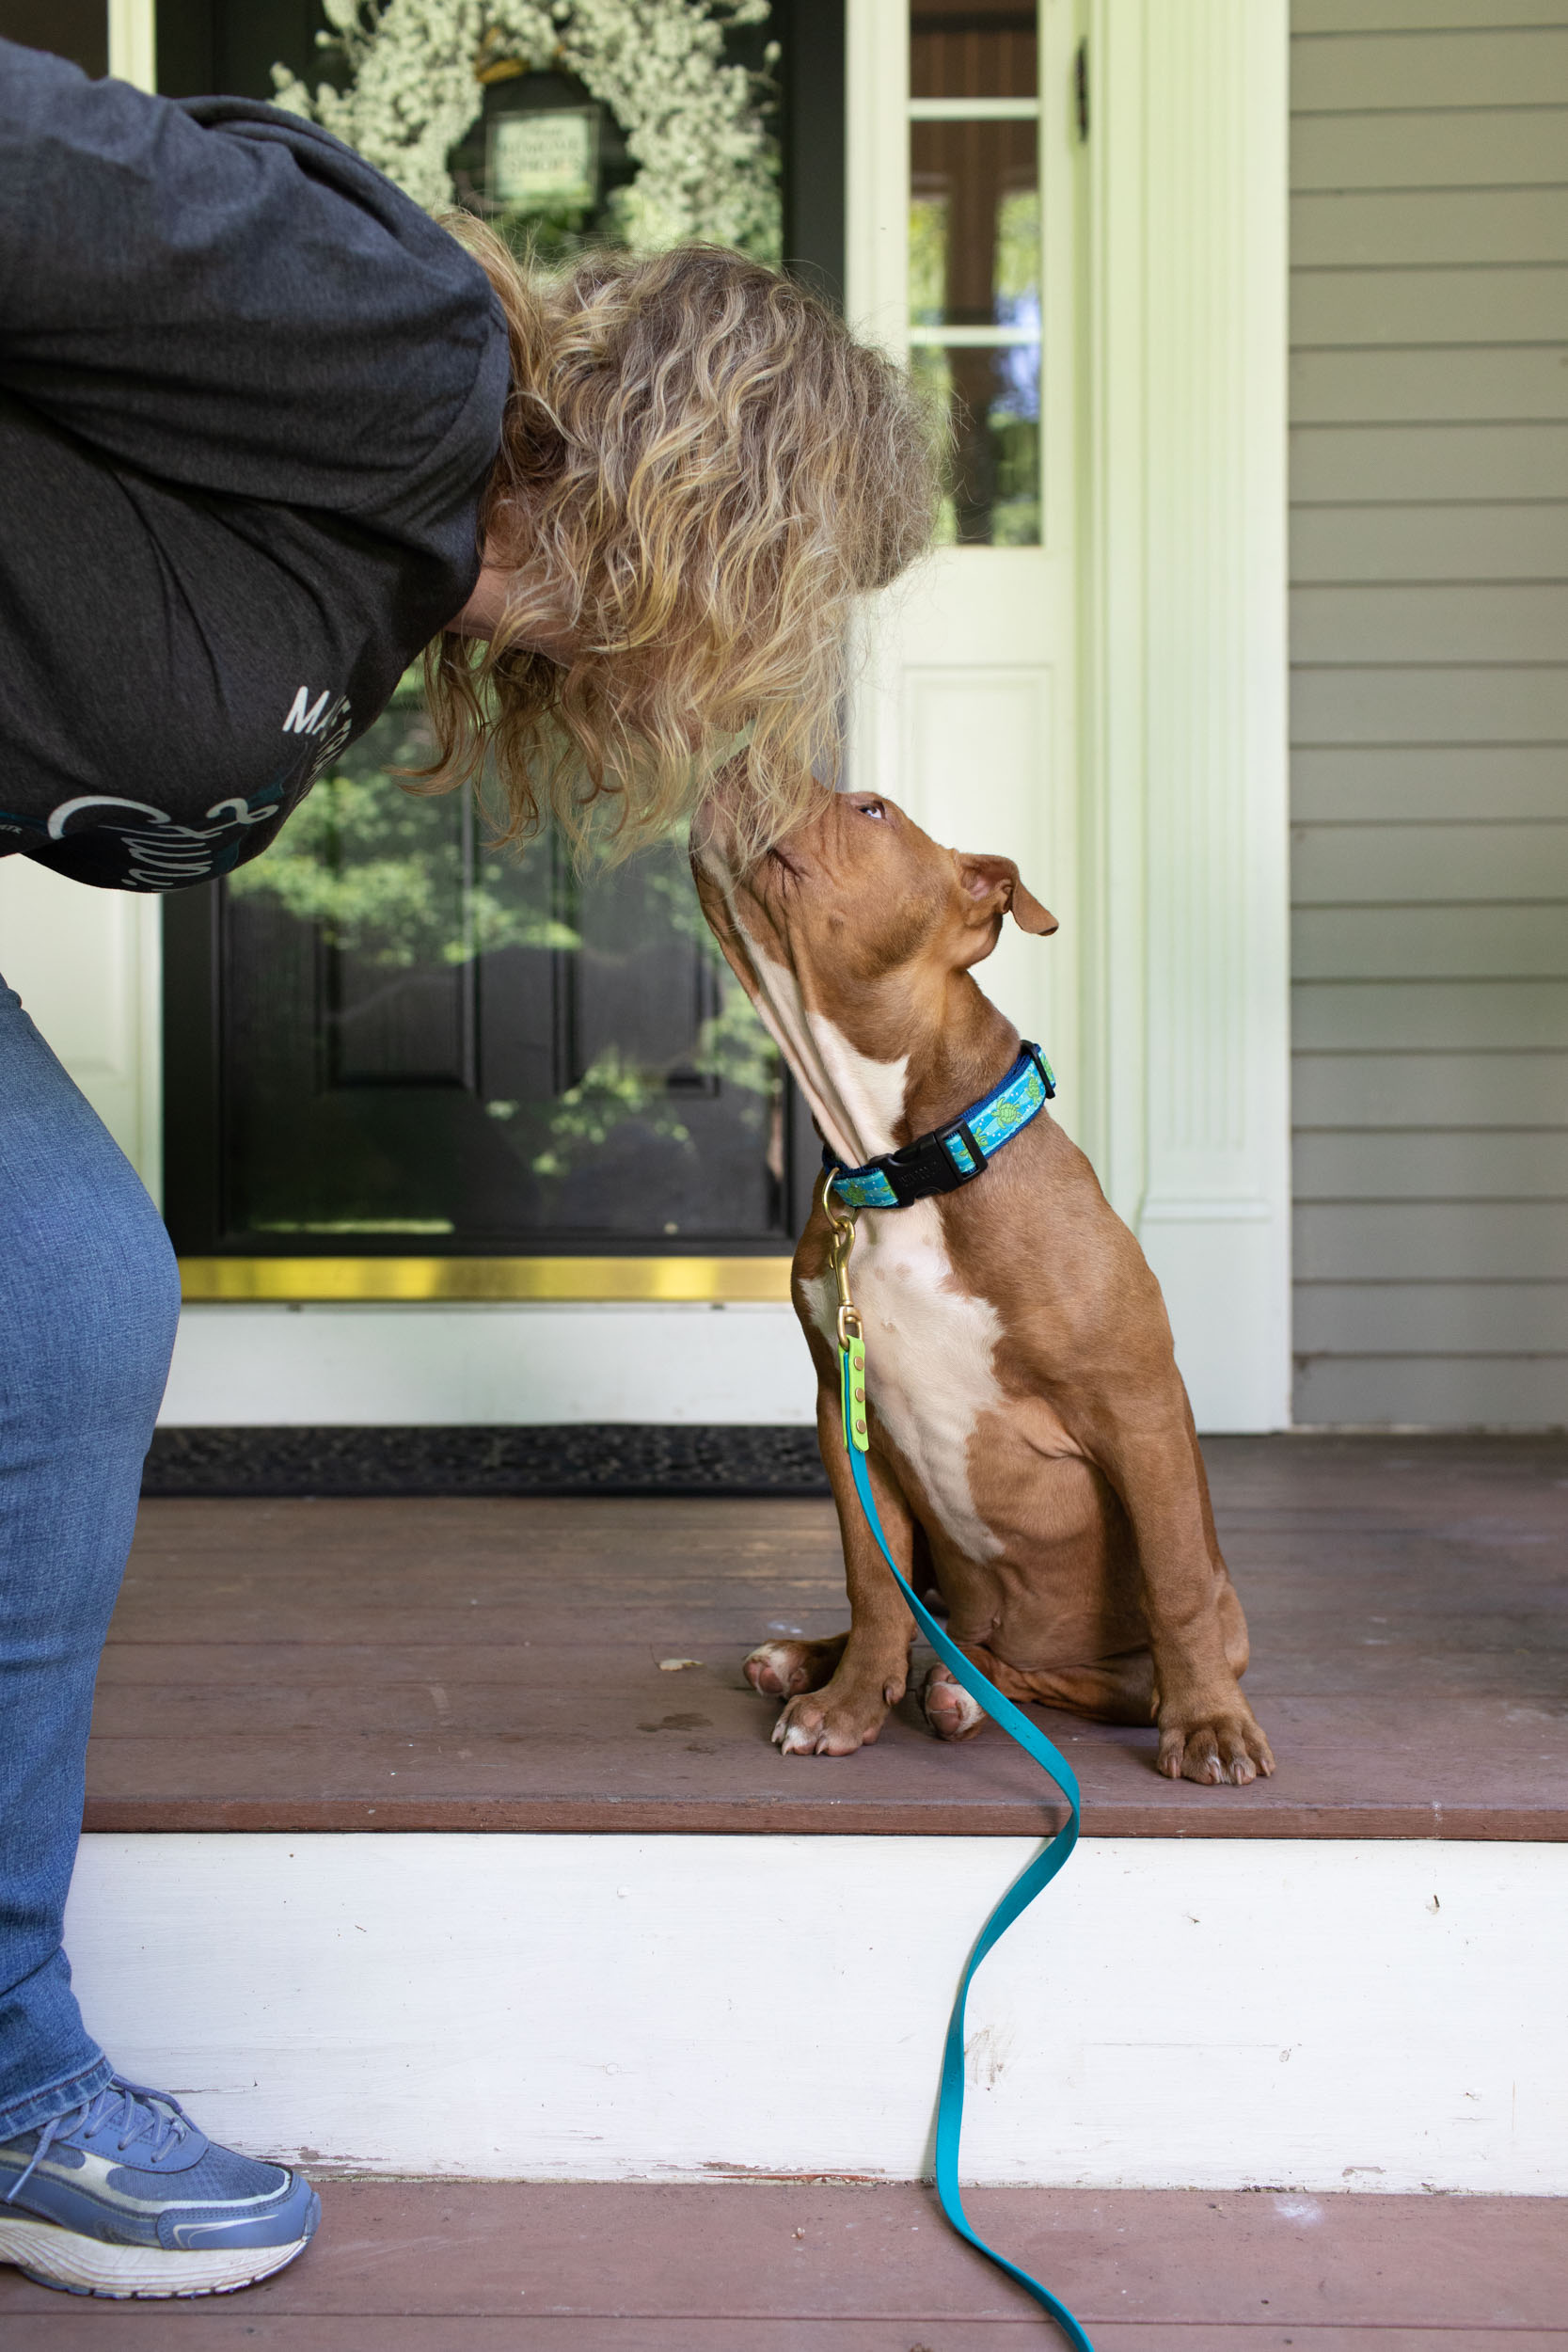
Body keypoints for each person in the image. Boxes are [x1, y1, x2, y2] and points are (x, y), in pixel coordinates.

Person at [0, 38, 936, 2300]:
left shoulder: (387, 568)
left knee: (58, 1296)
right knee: (65, 1296)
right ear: (732, 504)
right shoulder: (382, 328)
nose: (768, 656)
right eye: (799, 588)